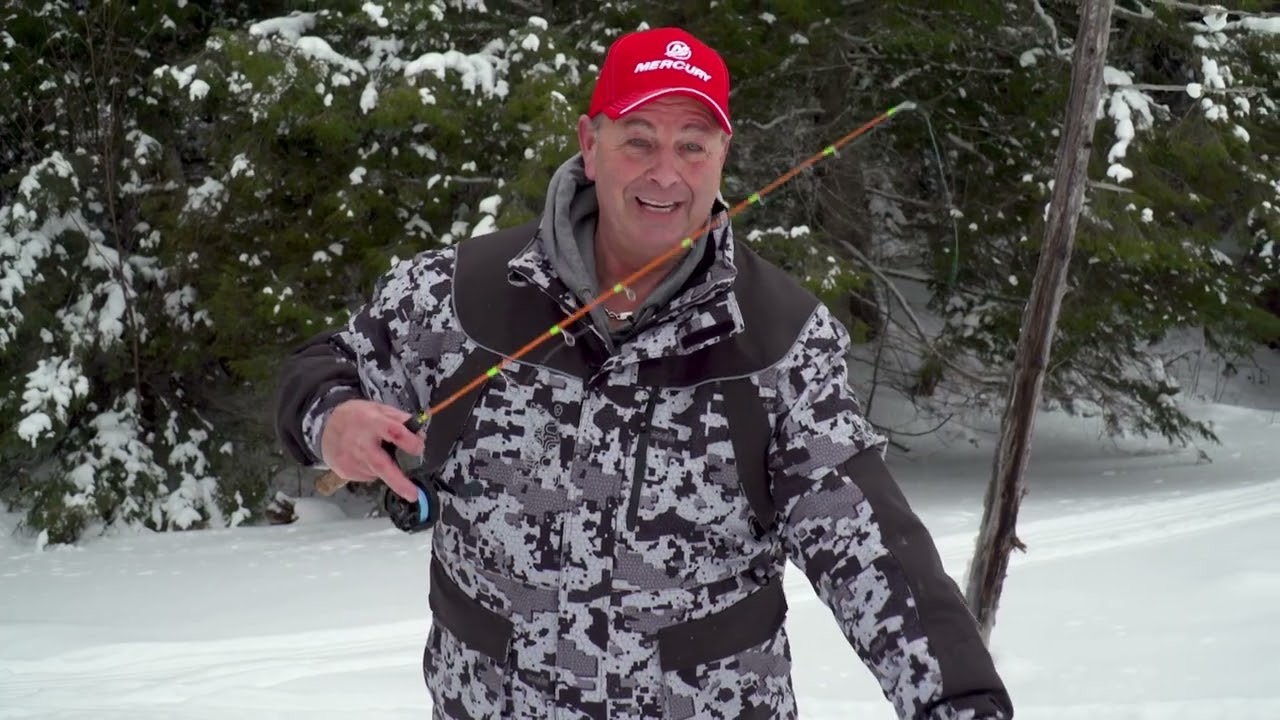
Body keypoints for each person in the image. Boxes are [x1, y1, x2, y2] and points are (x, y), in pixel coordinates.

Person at [274, 26, 1013, 720]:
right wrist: (331, 419)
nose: (666, 172)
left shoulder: (782, 340)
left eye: (692, 144)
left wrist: (961, 701)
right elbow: (324, 369)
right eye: (639, 140)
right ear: (590, 145)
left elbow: (868, 542)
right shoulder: (457, 294)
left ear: (722, 154)